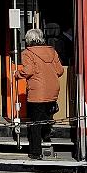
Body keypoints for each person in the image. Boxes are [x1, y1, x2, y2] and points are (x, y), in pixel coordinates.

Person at [16, 28, 64, 160]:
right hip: (53, 89)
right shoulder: (52, 51)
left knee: (35, 123)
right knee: (47, 117)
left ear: (28, 39)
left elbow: (28, 71)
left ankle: (35, 152)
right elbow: (60, 71)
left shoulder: (27, 53)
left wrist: (17, 74)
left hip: (37, 92)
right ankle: (47, 138)